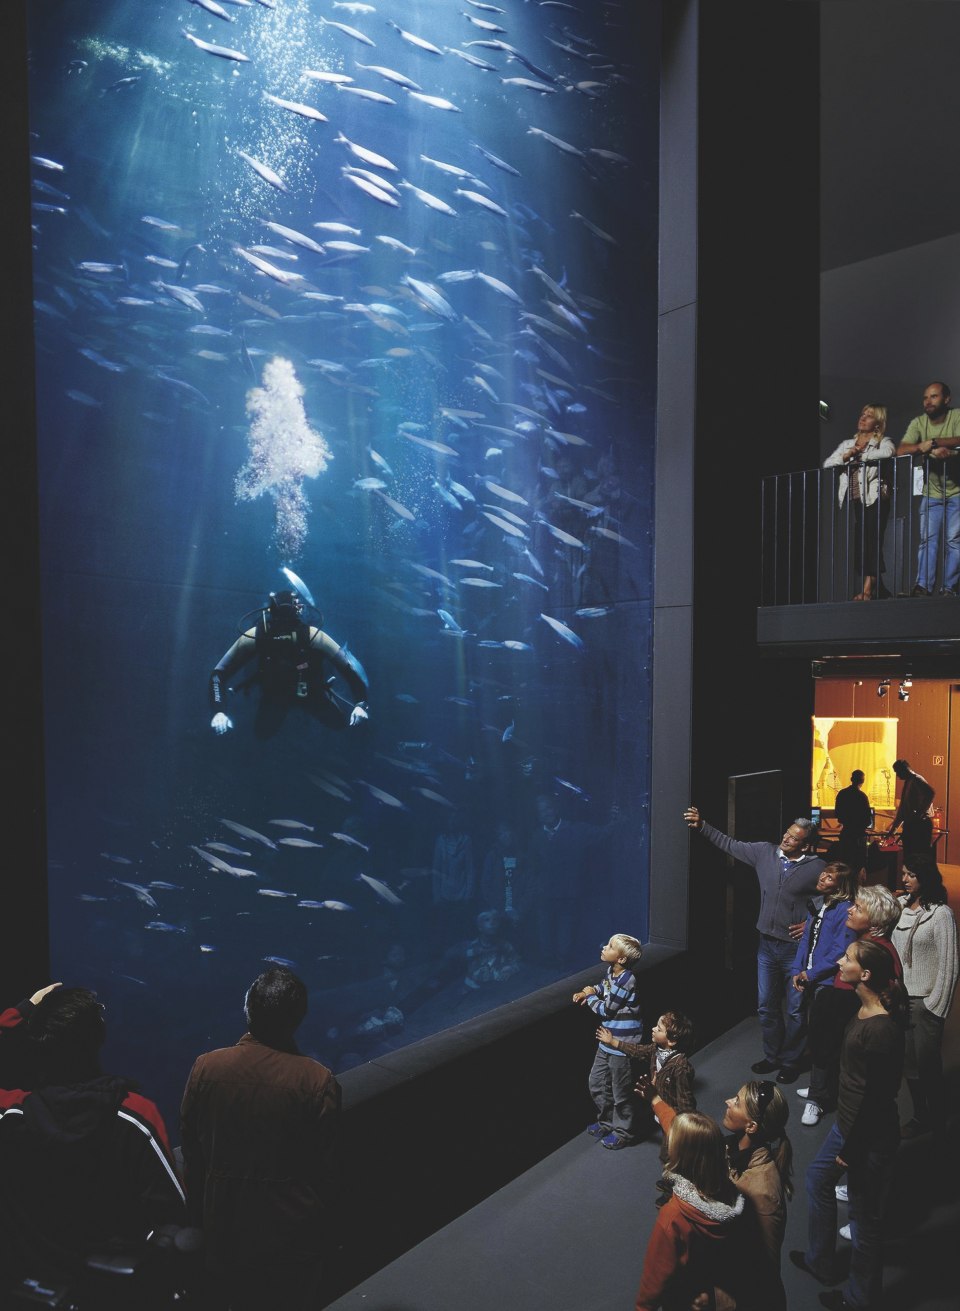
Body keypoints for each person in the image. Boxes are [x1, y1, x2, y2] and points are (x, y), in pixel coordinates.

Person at [0, 983, 187, 1293]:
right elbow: (173, 1212)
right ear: (99, 1038)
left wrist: (22, 1011)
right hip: (110, 1290)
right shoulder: (135, 1117)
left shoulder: (11, 1116)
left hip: (28, 1287)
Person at [180, 966, 341, 1311]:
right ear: (299, 1016)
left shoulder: (206, 1068)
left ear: (248, 1009)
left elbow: (192, 1151)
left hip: (223, 1230)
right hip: (292, 1238)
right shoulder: (316, 1080)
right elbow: (326, 1167)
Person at [791, 938, 907, 1311]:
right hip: (847, 1124)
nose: (840, 961)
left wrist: (852, 1150)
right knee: (815, 1180)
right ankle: (821, 1262)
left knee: (864, 1219)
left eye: (848, 958)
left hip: (868, 1136)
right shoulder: (860, 1009)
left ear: (866, 973)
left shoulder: (883, 1030)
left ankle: (859, 1299)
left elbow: (878, 1098)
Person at [684, 805, 825, 1083]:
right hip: (766, 947)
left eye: (794, 838)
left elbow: (838, 899)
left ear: (806, 845)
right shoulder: (764, 853)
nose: (786, 839)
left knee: (796, 1009)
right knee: (765, 1005)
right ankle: (772, 1056)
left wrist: (811, 923)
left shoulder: (817, 868)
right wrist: (702, 825)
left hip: (795, 951)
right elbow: (729, 844)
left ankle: (791, 1061)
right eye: (786, 834)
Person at [634, 1111, 782, 1311]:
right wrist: (656, 1101)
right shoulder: (733, 1195)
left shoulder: (672, 1217)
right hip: (715, 1292)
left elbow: (654, 1280)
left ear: (679, 1154)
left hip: (684, 1299)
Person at [796, 882, 903, 1137]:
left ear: (875, 921)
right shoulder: (860, 940)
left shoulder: (879, 952)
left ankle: (819, 1099)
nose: (850, 911)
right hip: (838, 1002)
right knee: (826, 1046)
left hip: (850, 1012)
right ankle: (820, 1091)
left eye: (858, 908)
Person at [209, 587, 369, 739]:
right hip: (294, 693)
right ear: (299, 609)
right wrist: (360, 703)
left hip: (293, 692)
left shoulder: (256, 635)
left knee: (263, 735)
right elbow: (349, 671)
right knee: (263, 734)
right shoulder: (313, 635)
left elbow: (219, 673)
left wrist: (219, 710)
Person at [892, 852, 959, 1141]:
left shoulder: (940, 913)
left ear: (925, 878)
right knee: (908, 1065)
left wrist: (935, 1006)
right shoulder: (901, 906)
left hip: (925, 1002)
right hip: (901, 1000)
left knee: (928, 1067)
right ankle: (921, 1116)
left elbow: (950, 964)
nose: (904, 879)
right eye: (904, 873)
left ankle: (940, 1122)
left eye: (911, 875)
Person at [790, 861, 859, 1124]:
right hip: (810, 978)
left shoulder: (845, 910)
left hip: (828, 984)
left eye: (830, 877)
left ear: (841, 886)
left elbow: (840, 951)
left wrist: (812, 973)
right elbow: (805, 940)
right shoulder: (819, 904)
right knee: (815, 1035)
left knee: (823, 1040)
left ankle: (818, 1099)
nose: (822, 877)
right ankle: (821, 1087)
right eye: (824, 873)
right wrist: (798, 969)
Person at [602, 1011, 695, 1204]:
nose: (653, 1029)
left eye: (659, 1028)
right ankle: (671, 1179)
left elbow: (687, 1103)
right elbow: (638, 1051)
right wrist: (613, 1042)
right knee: (669, 1157)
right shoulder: (655, 1050)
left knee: (671, 1157)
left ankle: (674, 1193)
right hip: (662, 1115)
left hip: (675, 1122)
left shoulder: (680, 1068)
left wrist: (685, 1128)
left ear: (672, 1041)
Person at [529, 793, 621, 968]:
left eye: (547, 808)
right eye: (540, 811)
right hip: (545, 893)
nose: (545, 813)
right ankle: (547, 963)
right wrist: (537, 886)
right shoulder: (536, 837)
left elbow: (603, 833)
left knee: (566, 927)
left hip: (569, 891)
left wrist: (616, 820)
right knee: (545, 928)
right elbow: (532, 866)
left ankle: (563, 961)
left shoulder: (576, 830)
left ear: (555, 809)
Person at [573, 933, 643, 1150]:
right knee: (597, 1083)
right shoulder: (612, 972)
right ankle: (607, 1122)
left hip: (621, 1045)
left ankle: (624, 1132)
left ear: (621, 959)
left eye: (610, 946)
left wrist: (590, 997)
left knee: (620, 1092)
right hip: (606, 1040)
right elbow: (605, 987)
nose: (604, 947)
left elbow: (607, 1009)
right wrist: (593, 990)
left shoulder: (627, 979)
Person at [823, 404, 896, 599]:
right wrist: (847, 455)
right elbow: (827, 463)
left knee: (872, 541)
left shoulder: (883, 441)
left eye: (869, 416)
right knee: (863, 542)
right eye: (862, 414)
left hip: (876, 498)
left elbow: (889, 453)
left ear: (878, 424)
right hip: (858, 500)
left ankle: (867, 590)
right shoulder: (848, 443)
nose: (863, 418)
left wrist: (861, 455)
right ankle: (879, 588)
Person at [896, 380, 960, 596]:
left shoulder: (956, 416)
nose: (928, 401)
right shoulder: (919, 422)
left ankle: (949, 588)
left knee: (954, 541)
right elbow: (901, 450)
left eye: (934, 396)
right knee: (927, 540)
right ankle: (923, 586)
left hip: (957, 492)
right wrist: (922, 448)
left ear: (946, 399)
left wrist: (934, 442)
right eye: (925, 397)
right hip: (931, 493)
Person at [888, 758, 935, 853]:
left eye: (897, 772)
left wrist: (920, 813)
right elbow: (903, 809)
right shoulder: (909, 782)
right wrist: (893, 830)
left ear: (903, 770)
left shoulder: (916, 780)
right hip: (914, 823)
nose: (897, 775)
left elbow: (930, 792)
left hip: (919, 824)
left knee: (917, 855)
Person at [832, 770, 872, 874]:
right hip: (859, 838)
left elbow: (838, 815)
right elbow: (867, 820)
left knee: (844, 868)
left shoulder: (842, 794)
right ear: (863, 781)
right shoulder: (862, 797)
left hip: (846, 835)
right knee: (858, 868)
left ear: (851, 779)